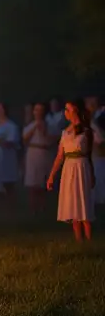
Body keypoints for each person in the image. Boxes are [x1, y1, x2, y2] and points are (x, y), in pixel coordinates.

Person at [47, 100, 95, 241]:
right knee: (73, 206)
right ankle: (79, 241)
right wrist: (51, 176)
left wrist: (92, 173)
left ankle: (89, 241)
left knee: (84, 207)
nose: (65, 112)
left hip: (82, 167)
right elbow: (59, 156)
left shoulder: (86, 131)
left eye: (68, 109)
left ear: (75, 110)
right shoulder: (65, 132)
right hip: (69, 168)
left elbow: (90, 154)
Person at [22, 102, 54, 214]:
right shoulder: (29, 125)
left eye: (40, 110)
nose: (38, 112)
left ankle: (43, 209)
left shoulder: (49, 124)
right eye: (36, 109)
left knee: (42, 183)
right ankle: (32, 210)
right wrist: (35, 126)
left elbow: (52, 140)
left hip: (44, 153)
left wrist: (43, 130)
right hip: (32, 153)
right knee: (32, 183)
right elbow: (24, 140)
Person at [0, 102, 21, 200]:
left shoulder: (11, 126)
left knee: (8, 187)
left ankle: (13, 207)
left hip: (7, 162)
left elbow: (9, 144)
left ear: (3, 110)